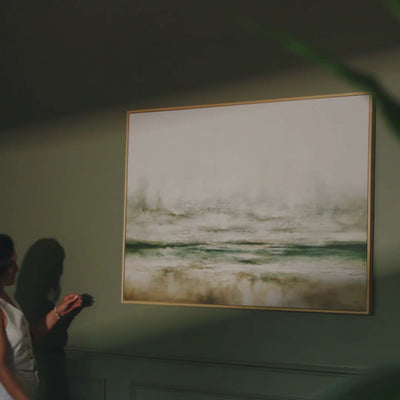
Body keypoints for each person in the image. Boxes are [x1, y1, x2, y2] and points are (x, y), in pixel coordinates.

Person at [0, 234, 82, 400]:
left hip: (25, 389)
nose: (17, 268)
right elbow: (1, 367)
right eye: (12, 263)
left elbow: (30, 336)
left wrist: (59, 311)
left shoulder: (8, 299)